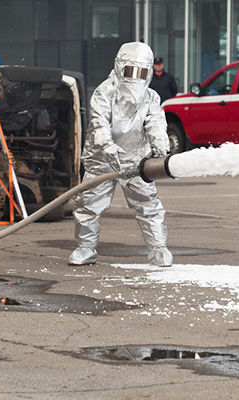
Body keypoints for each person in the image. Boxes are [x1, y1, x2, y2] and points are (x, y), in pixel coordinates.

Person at [68, 42, 173, 268]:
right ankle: (85, 248)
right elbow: (99, 122)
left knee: (148, 205)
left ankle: (158, 249)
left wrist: (160, 146)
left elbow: (155, 123)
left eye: (141, 72)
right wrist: (106, 145)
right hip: (101, 160)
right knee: (89, 205)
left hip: (136, 160)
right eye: (130, 71)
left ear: (148, 73)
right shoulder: (104, 91)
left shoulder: (151, 97)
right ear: (119, 67)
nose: (135, 78)